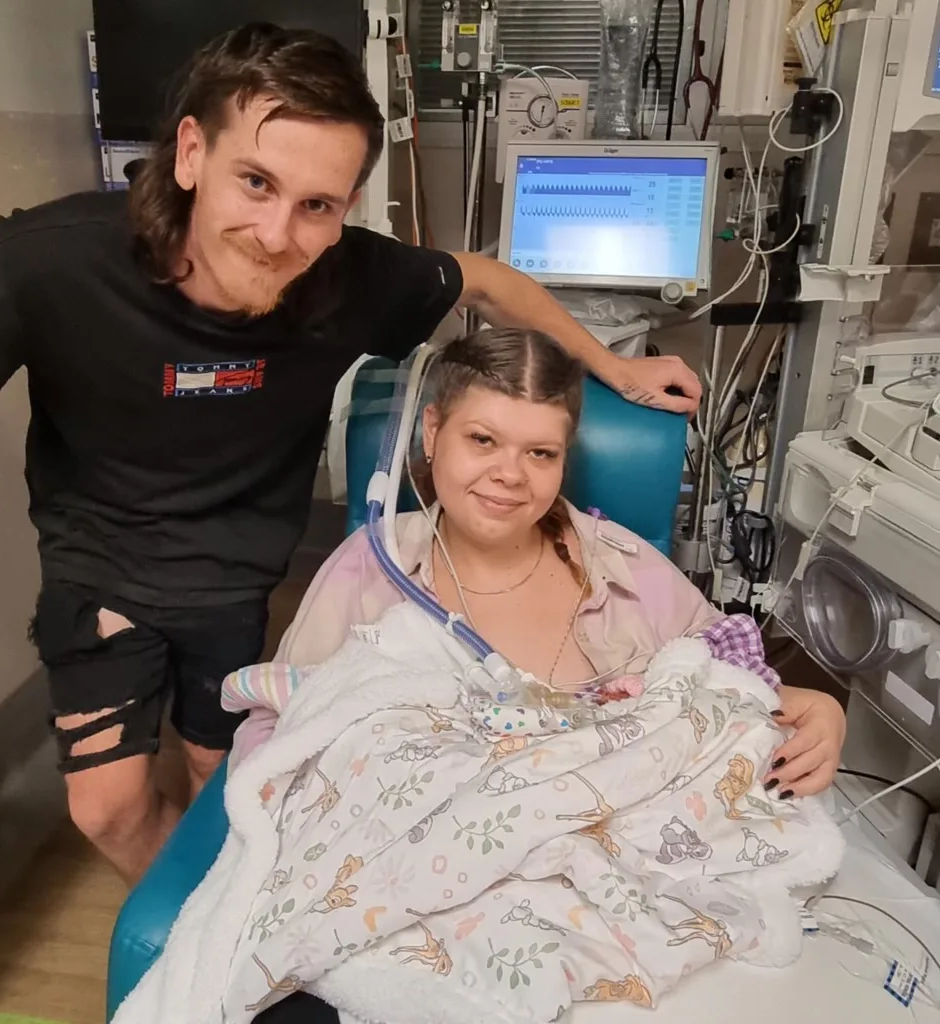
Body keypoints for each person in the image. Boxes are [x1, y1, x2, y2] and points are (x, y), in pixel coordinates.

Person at [0, 23, 701, 885]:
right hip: (98, 564)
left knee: (230, 777)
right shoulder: (55, 259)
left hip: (236, 566)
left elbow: (485, 280)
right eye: (255, 182)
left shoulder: (344, 275)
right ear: (189, 154)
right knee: (105, 809)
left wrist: (614, 366)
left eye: (317, 206)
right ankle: (191, 921)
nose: (276, 233)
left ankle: (230, 925)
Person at [231, 326, 846, 1024]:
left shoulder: (622, 567)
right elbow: (281, 736)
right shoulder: (372, 570)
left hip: (601, 888)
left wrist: (816, 705)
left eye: (540, 453)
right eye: (482, 441)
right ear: (432, 433)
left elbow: (720, 689)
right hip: (418, 885)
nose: (509, 474)